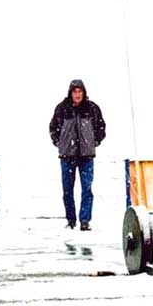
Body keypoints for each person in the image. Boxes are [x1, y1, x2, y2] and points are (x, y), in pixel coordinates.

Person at [49, 79, 106, 230]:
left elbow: (101, 127)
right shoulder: (62, 109)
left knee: (87, 189)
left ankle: (85, 220)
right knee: (67, 191)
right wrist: (59, 143)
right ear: (70, 93)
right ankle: (71, 220)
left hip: (86, 156)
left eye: (80, 91)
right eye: (75, 91)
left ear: (84, 92)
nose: (77, 94)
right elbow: (53, 127)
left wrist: (95, 142)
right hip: (67, 156)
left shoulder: (92, 108)